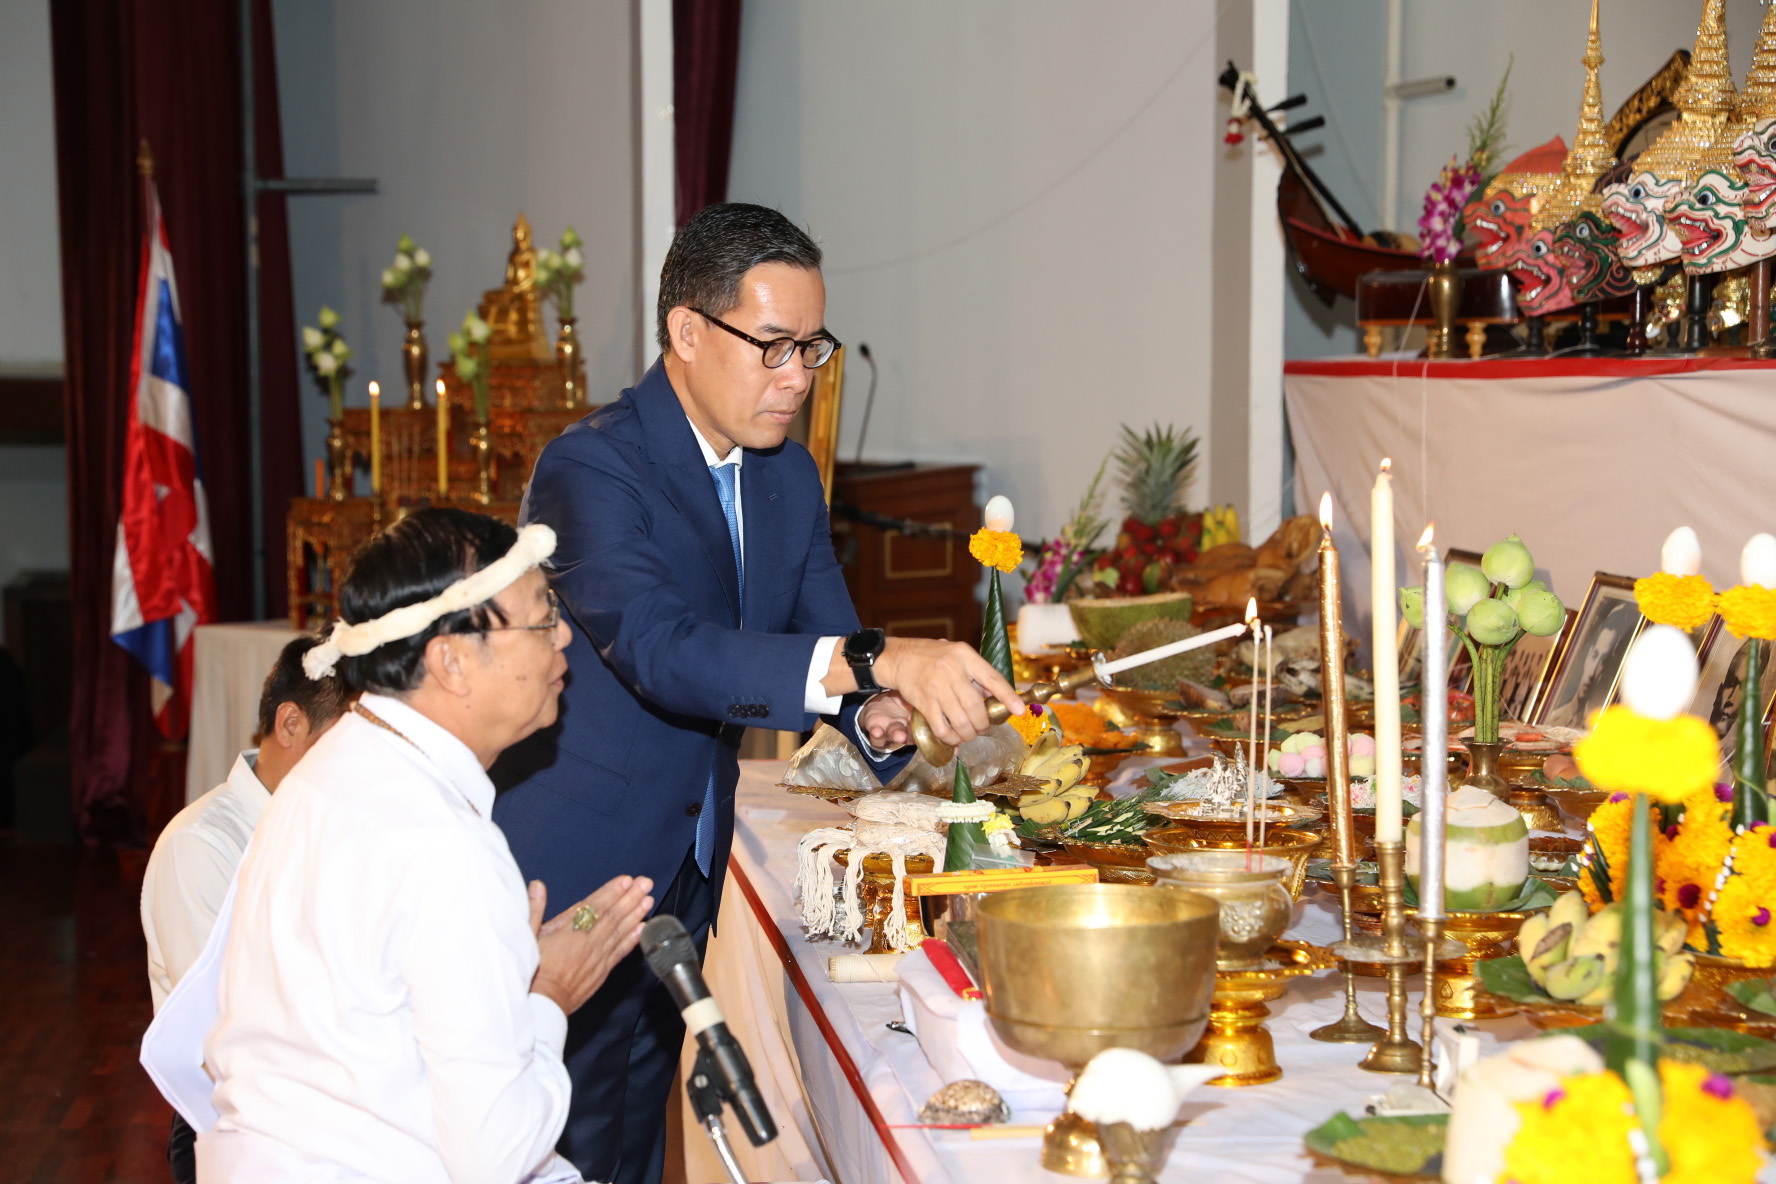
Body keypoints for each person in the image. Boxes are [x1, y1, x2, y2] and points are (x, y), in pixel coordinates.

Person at [492, 201, 1022, 1184]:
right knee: (550, 1137)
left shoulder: (782, 479)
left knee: (639, 1129)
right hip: (570, 869)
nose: (797, 378)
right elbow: (665, 651)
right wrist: (885, 662)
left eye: (812, 347)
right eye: (772, 346)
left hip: (685, 874)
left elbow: (832, 647)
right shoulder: (593, 464)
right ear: (686, 332)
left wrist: (886, 713)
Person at [199, 508, 654, 1183]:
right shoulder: (446, 844)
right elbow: (495, 1157)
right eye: (540, 617)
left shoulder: (326, 770)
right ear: (451, 662)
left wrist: (507, 974)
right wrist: (545, 993)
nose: (562, 635)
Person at [139, 634, 348, 1183]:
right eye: (350, 745)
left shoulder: (349, 825)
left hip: (340, 1104)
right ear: (289, 724)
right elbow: (229, 1035)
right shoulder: (202, 844)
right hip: (233, 1125)